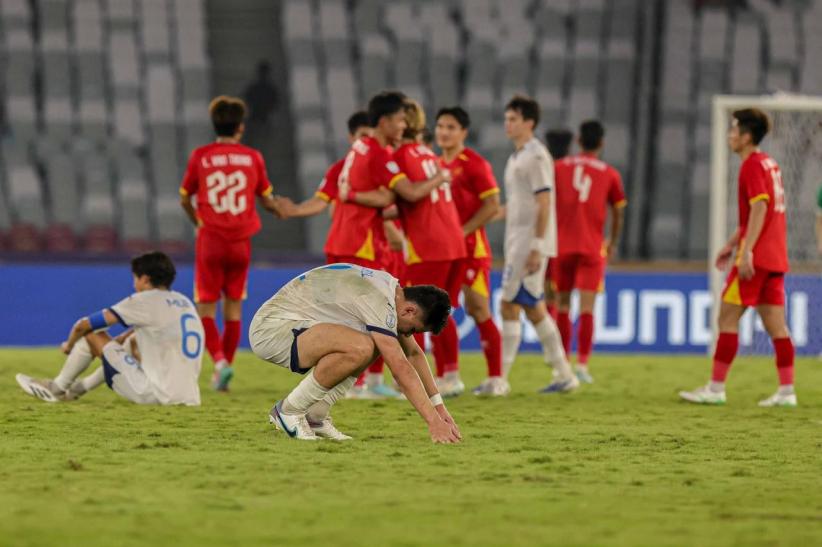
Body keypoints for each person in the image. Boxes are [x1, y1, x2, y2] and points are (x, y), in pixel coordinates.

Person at [249, 263, 462, 443]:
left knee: (377, 343)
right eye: (413, 329)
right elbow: (400, 368)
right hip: (272, 330)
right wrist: (433, 422)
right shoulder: (380, 299)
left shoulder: (390, 294)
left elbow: (413, 354)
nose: (408, 334)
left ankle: (316, 415)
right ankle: (289, 410)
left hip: (297, 326)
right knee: (365, 346)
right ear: (409, 310)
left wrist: (439, 408)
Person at [344, 98, 466, 396]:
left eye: (402, 120)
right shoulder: (428, 153)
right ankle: (451, 374)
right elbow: (414, 201)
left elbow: (407, 195)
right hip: (455, 242)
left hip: (429, 244)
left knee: (412, 313)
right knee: (442, 311)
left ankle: (408, 381)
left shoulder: (397, 155)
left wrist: (357, 198)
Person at [284, 110, 404, 399]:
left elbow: (388, 202)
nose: (365, 141)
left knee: (369, 312)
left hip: (370, 244)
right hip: (356, 244)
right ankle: (358, 381)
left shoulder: (372, 163)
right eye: (361, 136)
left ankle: (369, 381)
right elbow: (320, 202)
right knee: (358, 312)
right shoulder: (343, 167)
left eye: (368, 136)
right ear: (352, 138)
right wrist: (294, 211)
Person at [680, 108, 795, 407]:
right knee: (776, 326)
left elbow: (760, 207)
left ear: (746, 137)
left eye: (733, 131)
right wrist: (732, 244)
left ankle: (716, 389)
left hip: (756, 259)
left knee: (726, 317)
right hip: (775, 256)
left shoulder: (751, 166)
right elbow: (759, 214)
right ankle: (786, 392)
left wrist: (746, 252)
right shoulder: (770, 163)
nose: (729, 136)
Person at [179, 95, 291, 392]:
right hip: (241, 242)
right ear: (240, 128)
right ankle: (223, 376)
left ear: (215, 124)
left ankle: (219, 363)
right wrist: (281, 209)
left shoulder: (201, 156)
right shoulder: (253, 157)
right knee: (233, 309)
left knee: (205, 307)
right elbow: (266, 199)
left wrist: (198, 220)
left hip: (211, 238)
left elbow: (183, 197)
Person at [16, 252, 204, 406]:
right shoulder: (183, 302)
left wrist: (69, 345)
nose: (134, 284)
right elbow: (129, 338)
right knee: (131, 342)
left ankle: (57, 387)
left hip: (156, 394)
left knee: (92, 335)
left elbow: (84, 325)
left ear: (145, 279)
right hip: (189, 398)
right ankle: (75, 391)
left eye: (135, 279)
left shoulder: (145, 300)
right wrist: (114, 346)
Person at [499, 95, 578, 394]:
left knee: (509, 303)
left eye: (513, 119)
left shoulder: (536, 156)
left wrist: (536, 245)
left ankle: (500, 377)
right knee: (533, 307)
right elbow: (520, 203)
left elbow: (545, 202)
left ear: (529, 123)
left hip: (527, 244)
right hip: (516, 240)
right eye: (506, 118)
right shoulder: (516, 156)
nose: (508, 124)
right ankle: (564, 373)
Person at [435, 106, 506, 396]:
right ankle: (447, 376)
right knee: (438, 310)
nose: (444, 132)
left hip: (471, 250)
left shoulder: (475, 164)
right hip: (442, 251)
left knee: (479, 309)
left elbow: (492, 206)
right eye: (440, 126)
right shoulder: (434, 165)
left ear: (463, 132)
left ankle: (497, 379)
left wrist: (462, 231)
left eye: (450, 127)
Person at [552, 121, 626, 384]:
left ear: (579, 141)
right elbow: (618, 210)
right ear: (601, 143)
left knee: (561, 304)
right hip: (593, 247)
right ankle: (582, 365)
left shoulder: (558, 168)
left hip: (561, 245)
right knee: (587, 308)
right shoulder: (610, 173)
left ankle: (562, 364)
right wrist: (613, 240)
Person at [543, 128, 574, 320]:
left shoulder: (547, 171)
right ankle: (560, 344)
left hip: (545, 237)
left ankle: (552, 344)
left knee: (548, 293)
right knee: (564, 297)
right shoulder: (573, 171)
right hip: (568, 238)